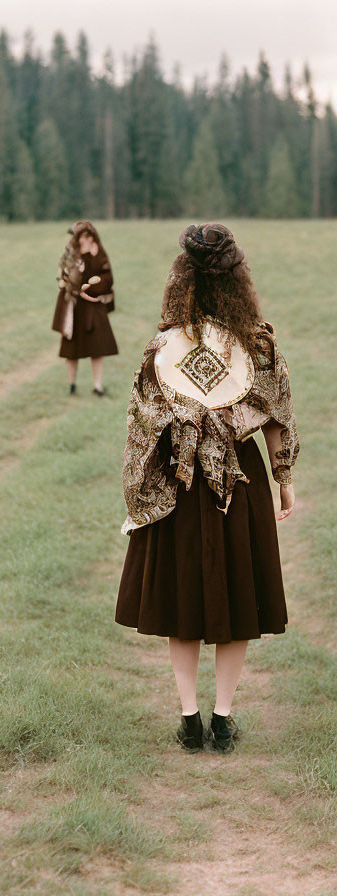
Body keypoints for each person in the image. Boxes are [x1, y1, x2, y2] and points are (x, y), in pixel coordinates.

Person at [116, 223, 299, 753]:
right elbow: (277, 417)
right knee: (238, 596)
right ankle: (223, 718)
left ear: (183, 279)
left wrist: (140, 497)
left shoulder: (161, 348)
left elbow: (141, 429)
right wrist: (283, 481)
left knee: (182, 599)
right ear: (237, 278)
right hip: (240, 482)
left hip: (181, 481)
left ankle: (189, 718)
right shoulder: (259, 344)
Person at [51, 221, 117, 395]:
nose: (79, 239)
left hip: (92, 305)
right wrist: (76, 288)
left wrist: (91, 290)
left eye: (83, 236)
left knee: (97, 346)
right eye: (77, 236)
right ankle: (72, 385)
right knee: (71, 348)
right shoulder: (71, 252)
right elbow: (64, 274)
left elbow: (107, 277)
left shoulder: (99, 251)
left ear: (89, 236)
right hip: (73, 306)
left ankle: (97, 386)